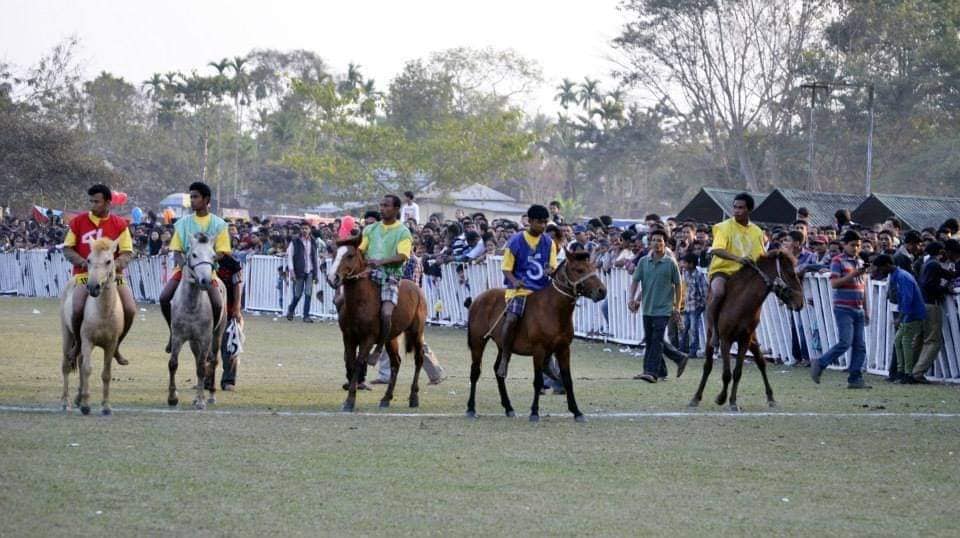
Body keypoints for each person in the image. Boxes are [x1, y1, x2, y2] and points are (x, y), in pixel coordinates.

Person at [62, 184, 137, 365]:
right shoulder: (78, 222)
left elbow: (127, 252)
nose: (93, 205)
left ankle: (116, 346)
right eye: (91, 201)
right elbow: (67, 249)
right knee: (78, 308)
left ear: (108, 203)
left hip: (114, 277)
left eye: (97, 202)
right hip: (84, 276)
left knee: (130, 309)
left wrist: (114, 266)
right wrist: (83, 262)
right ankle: (79, 344)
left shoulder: (120, 224)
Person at [158, 182, 231, 351]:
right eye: (191, 197)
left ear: (206, 200)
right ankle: (172, 332)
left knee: (219, 304)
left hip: (208, 272)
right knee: (164, 297)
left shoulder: (219, 224)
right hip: (184, 271)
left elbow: (222, 252)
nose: (192, 200)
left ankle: (210, 332)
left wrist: (206, 262)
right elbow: (176, 251)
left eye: (196, 197)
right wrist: (185, 266)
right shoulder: (183, 223)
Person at [497, 204, 558, 378]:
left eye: (546, 222)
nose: (543, 226)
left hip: (542, 292)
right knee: (511, 318)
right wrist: (515, 281)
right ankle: (505, 357)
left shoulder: (549, 243)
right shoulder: (515, 241)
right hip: (520, 291)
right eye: (540, 222)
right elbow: (506, 268)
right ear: (530, 221)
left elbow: (552, 266)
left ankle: (548, 361)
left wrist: (550, 270)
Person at [810, 231, 871, 388]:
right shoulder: (838, 261)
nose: (856, 248)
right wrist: (854, 274)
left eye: (858, 245)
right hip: (843, 308)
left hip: (858, 309)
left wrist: (866, 309)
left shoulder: (861, 262)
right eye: (852, 245)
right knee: (845, 342)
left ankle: (855, 378)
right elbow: (835, 283)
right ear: (845, 245)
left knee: (860, 345)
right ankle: (821, 363)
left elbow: (863, 288)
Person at [704, 193, 765, 347]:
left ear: (749, 210)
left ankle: (751, 333)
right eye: (735, 207)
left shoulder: (757, 231)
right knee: (718, 293)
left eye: (741, 208)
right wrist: (738, 259)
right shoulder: (723, 227)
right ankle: (714, 332)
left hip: (744, 275)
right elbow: (716, 250)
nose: (737, 211)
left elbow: (761, 256)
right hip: (722, 271)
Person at [628, 229, 686, 383]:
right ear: (649, 242)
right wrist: (632, 299)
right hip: (648, 307)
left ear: (665, 243)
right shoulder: (643, 262)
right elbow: (636, 281)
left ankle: (651, 372)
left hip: (664, 308)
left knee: (656, 339)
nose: (656, 243)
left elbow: (679, 285)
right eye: (654, 240)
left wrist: (677, 307)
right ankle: (674, 361)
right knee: (652, 339)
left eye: (660, 240)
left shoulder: (670, 263)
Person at [360, 194, 413, 359]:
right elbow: (361, 250)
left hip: (390, 276)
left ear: (396, 209)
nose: (382, 209)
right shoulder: (369, 229)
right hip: (369, 273)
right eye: (381, 205)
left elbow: (403, 255)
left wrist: (381, 262)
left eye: (386, 205)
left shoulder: (403, 231)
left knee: (386, 313)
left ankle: (379, 347)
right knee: (343, 299)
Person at [872, 253, 927, 383]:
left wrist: (900, 317)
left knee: (906, 342)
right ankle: (900, 372)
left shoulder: (902, 277)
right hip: (908, 314)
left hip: (913, 314)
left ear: (887, 265)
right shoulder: (897, 275)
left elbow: (907, 298)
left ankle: (908, 374)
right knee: (898, 341)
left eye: (880, 268)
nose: (880, 271)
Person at [912, 241, 956, 383]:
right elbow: (929, 285)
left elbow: (949, 275)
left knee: (920, 338)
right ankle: (918, 373)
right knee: (933, 341)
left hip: (922, 304)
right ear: (940, 252)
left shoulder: (928, 264)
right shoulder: (934, 264)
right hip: (931, 304)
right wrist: (944, 289)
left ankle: (909, 370)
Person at [214, 253, 244, 391]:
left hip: (228, 310)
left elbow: (237, 285)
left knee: (229, 347)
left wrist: (237, 308)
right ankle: (206, 378)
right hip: (208, 311)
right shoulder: (203, 259)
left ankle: (228, 380)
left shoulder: (233, 262)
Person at [285, 221, 319, 323]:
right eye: (303, 228)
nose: (304, 230)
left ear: (310, 230)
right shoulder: (295, 241)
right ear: (300, 229)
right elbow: (290, 256)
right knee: (298, 294)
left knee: (308, 293)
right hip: (299, 271)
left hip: (310, 271)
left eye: (306, 228)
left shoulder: (313, 241)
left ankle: (306, 316)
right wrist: (292, 271)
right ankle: (291, 310)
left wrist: (316, 273)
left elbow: (315, 257)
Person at [679, 253, 707, 358]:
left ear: (691, 264)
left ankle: (693, 350)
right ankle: (683, 349)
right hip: (687, 304)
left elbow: (704, 291)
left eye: (685, 262)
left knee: (694, 329)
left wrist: (703, 304)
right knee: (684, 328)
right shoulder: (685, 273)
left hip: (696, 305)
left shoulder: (699, 275)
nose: (683, 264)